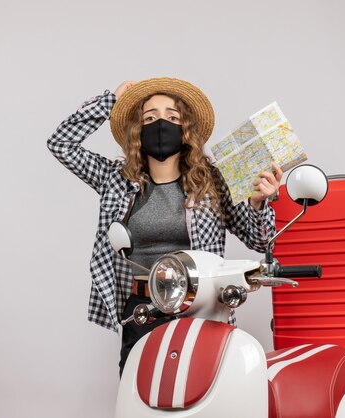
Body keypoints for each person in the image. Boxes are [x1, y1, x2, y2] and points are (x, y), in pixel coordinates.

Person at [47, 77, 282, 375]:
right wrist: (111, 101)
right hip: (143, 308)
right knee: (143, 389)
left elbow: (260, 241)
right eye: (150, 117)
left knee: (201, 389)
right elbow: (61, 144)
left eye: (173, 117)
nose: (161, 124)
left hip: (202, 306)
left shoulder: (212, 180)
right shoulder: (115, 180)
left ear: (186, 131)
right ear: (137, 130)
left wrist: (260, 203)